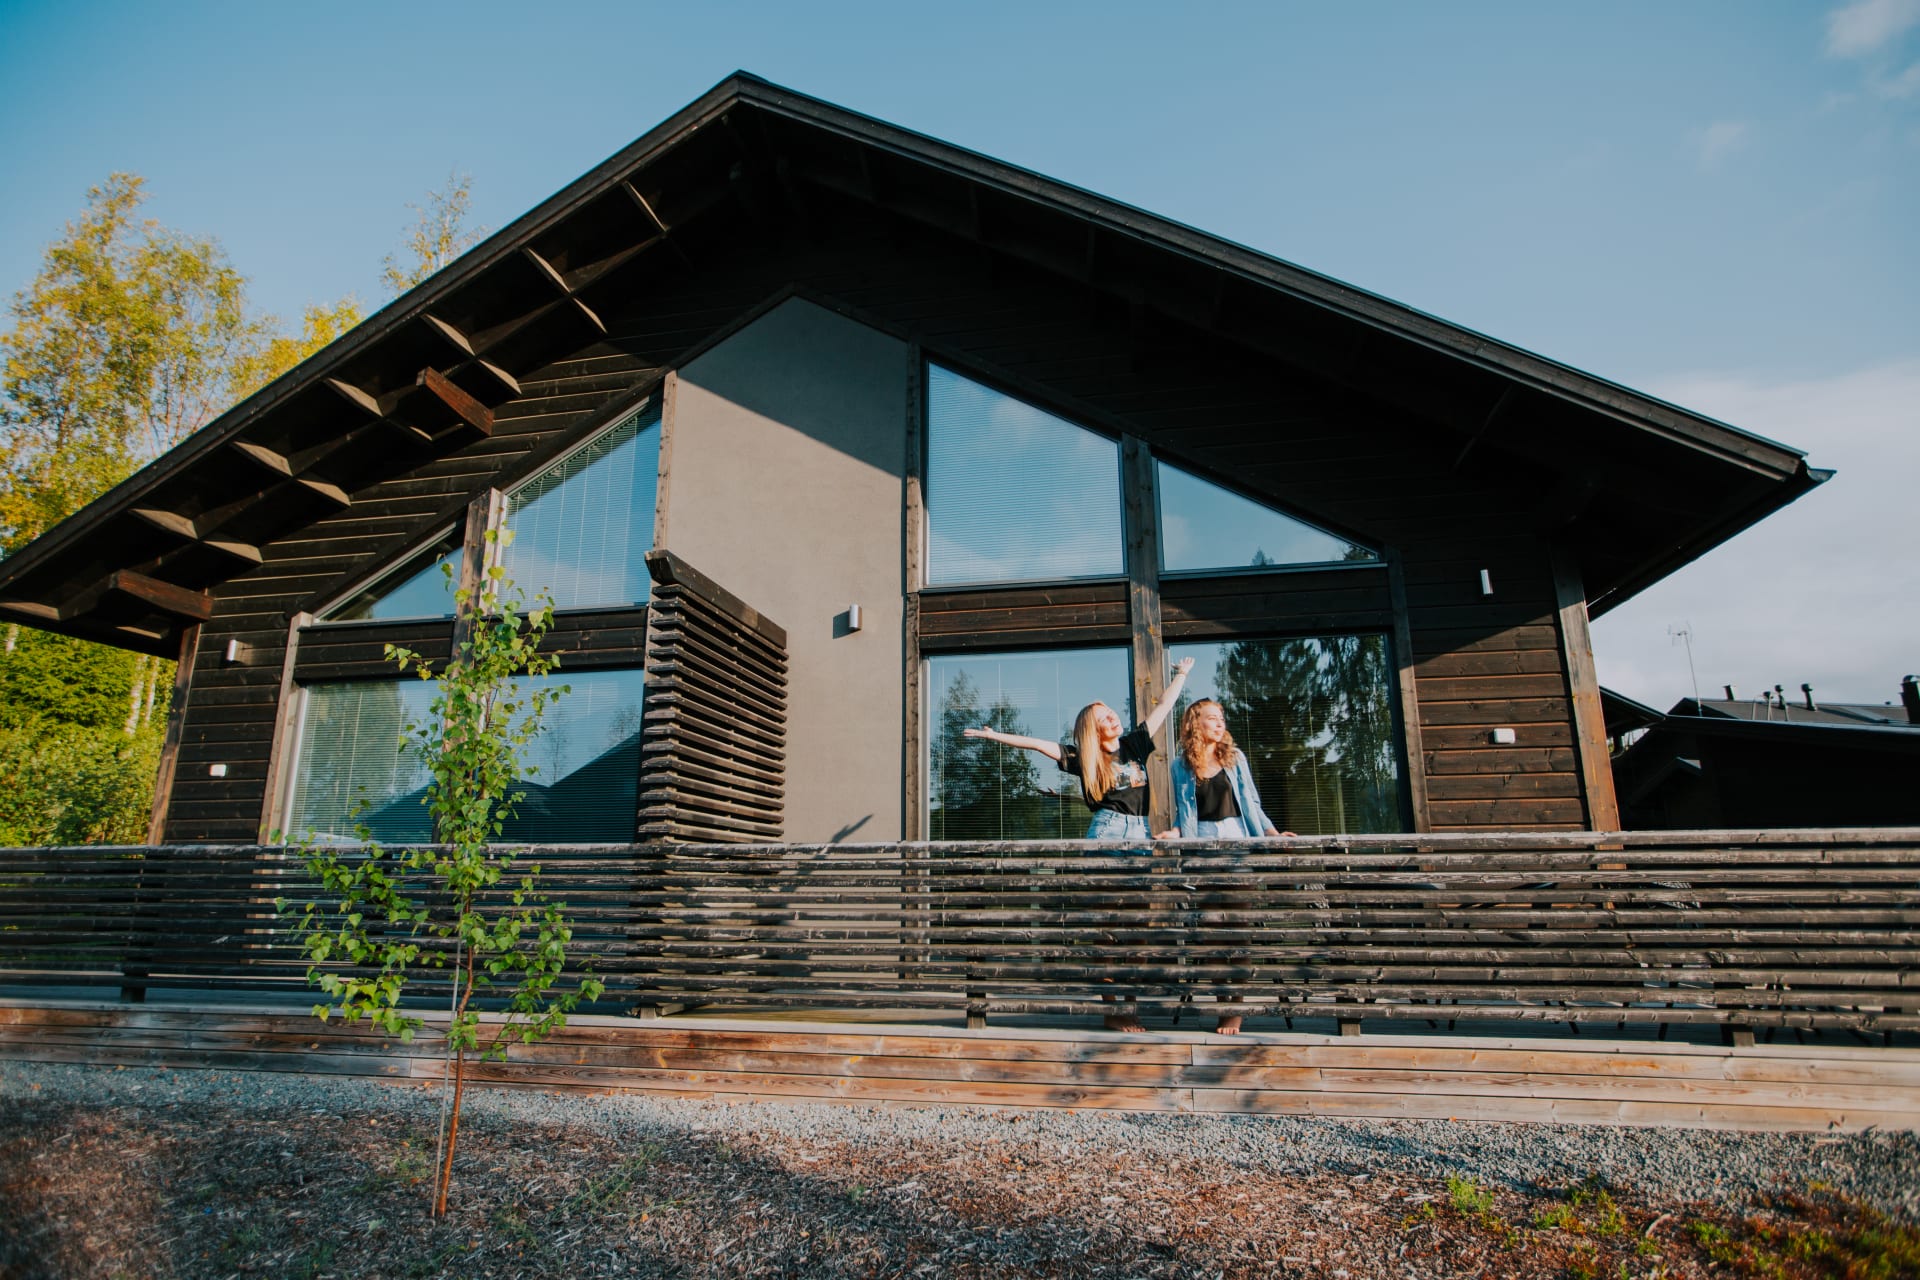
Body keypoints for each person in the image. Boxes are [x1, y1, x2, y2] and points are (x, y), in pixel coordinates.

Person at [962, 656, 1195, 1031]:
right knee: (1107, 927)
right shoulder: (1084, 757)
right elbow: (1037, 745)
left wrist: (1181, 674)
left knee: (1135, 928)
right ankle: (1113, 1010)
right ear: (1092, 729)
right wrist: (994, 736)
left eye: (1111, 712)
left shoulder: (1134, 744)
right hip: (1107, 834)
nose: (1112, 718)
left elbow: (1164, 706)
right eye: (1103, 717)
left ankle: (1128, 1005)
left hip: (1140, 835)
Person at [1168, 697, 1291, 1035]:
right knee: (1210, 934)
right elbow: (1185, 812)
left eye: (1221, 717)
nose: (1219, 722)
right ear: (1195, 723)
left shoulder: (1234, 758)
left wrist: (1272, 833)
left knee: (1237, 930)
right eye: (1211, 717)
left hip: (1237, 847)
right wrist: (1175, 832)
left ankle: (1234, 1008)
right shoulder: (1180, 766)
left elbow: (1252, 802)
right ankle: (1223, 1004)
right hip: (1202, 851)